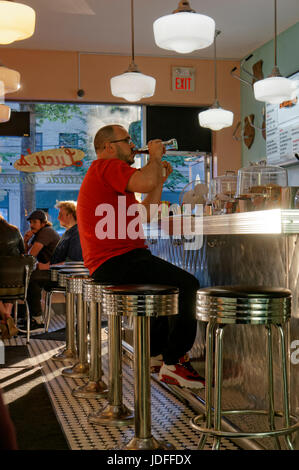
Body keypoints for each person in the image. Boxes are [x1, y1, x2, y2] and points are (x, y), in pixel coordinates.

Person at [77, 124, 204, 389]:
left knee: (163, 288)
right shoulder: (107, 166)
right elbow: (144, 181)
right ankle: (175, 362)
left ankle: (156, 355)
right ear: (109, 147)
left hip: (113, 261)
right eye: (127, 141)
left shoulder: (108, 176)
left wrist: (159, 180)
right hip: (117, 259)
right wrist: (155, 157)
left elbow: (146, 212)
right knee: (187, 284)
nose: (134, 145)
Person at [23, 203, 83, 332]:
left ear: (69, 215)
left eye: (61, 214)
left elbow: (74, 262)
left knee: (33, 278)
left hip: (67, 277)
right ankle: (36, 317)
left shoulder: (75, 232)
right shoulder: (70, 232)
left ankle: (37, 320)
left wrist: (47, 266)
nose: (58, 218)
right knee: (32, 277)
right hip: (61, 273)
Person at [0, 215, 24, 339]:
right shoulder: (14, 230)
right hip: (16, 284)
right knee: (8, 287)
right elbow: (23, 252)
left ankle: (5, 317)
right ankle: (7, 320)